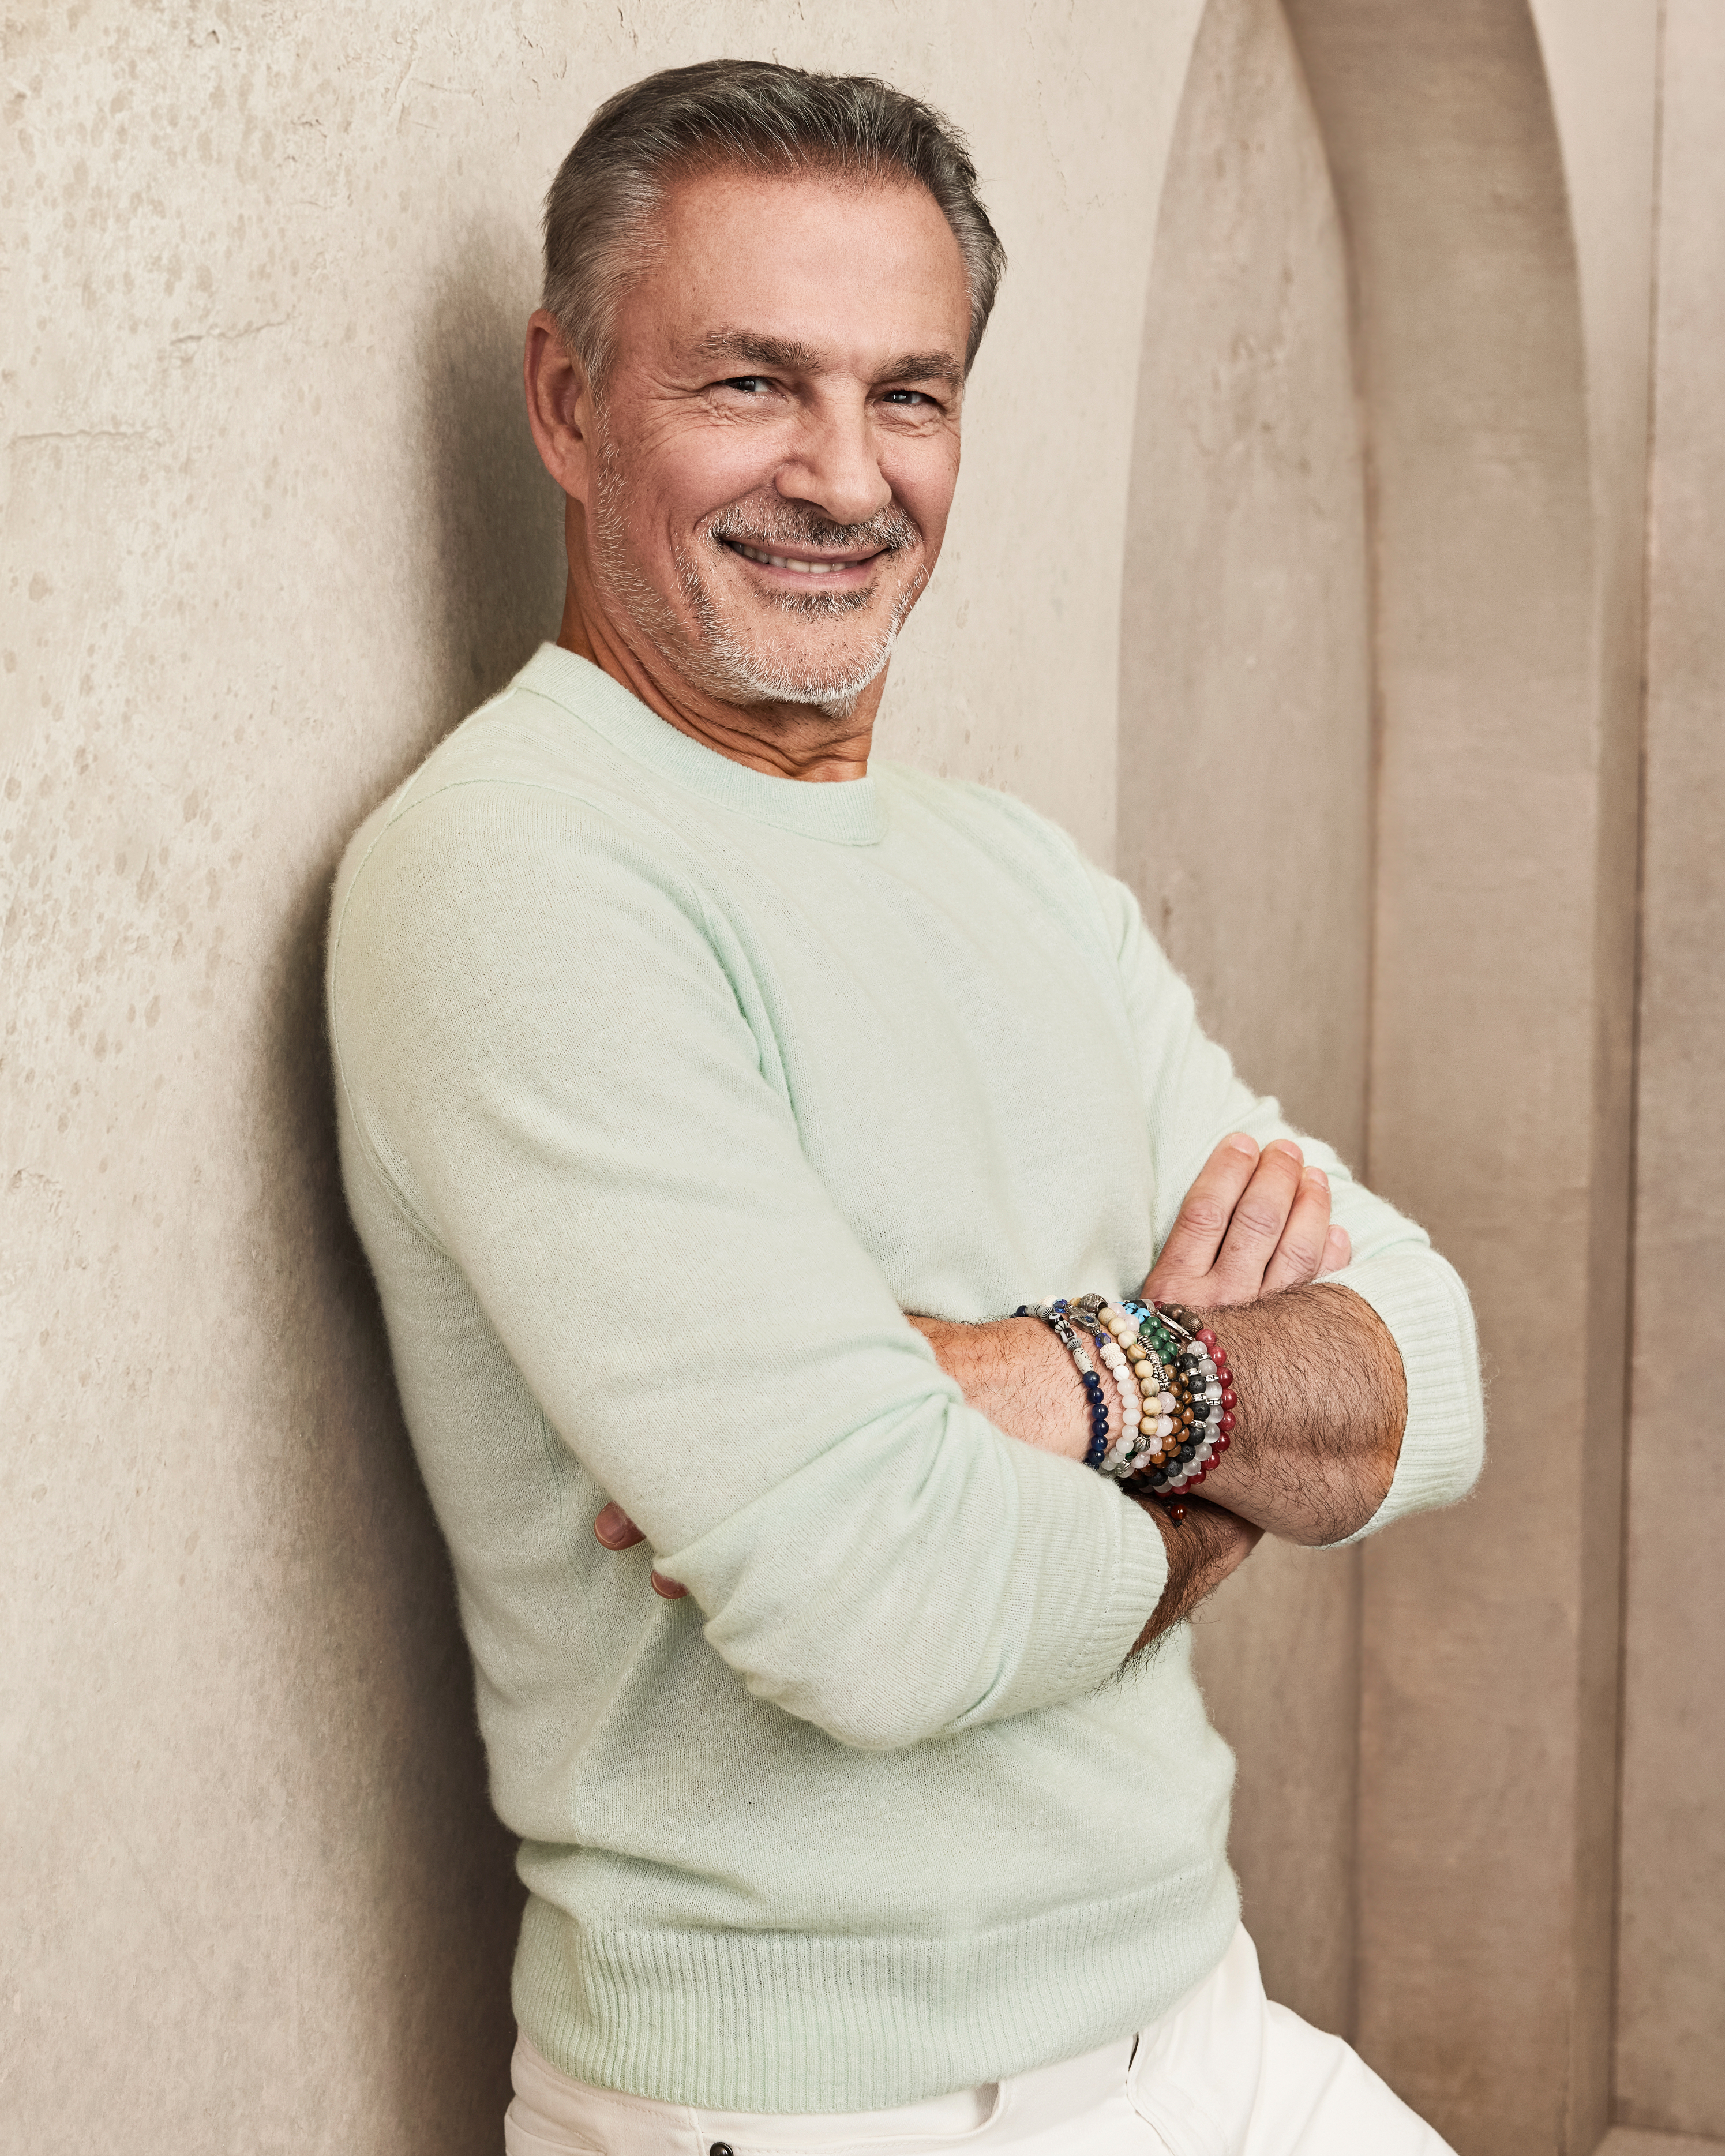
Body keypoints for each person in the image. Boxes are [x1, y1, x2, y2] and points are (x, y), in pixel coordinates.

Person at [327, 58, 1483, 2156]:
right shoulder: (513, 872)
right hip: (830, 2110)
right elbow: (884, 1612)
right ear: (569, 407)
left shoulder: (1016, 873)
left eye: (911, 394)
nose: (844, 478)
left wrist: (1067, 1384)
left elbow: (1435, 1370)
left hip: (1209, 2034)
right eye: (752, 384)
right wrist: (1227, 1439)